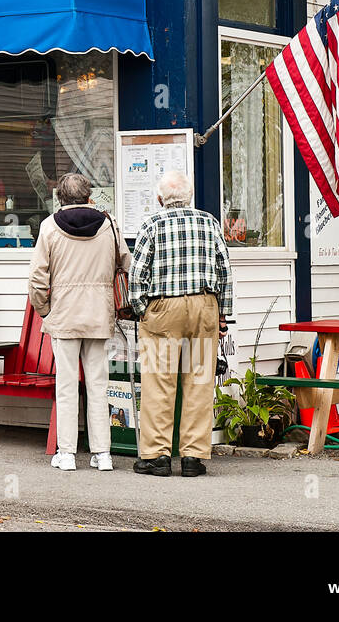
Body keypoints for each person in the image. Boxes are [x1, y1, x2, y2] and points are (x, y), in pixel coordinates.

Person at [127, 169, 232, 477]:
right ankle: (192, 457)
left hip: (164, 308)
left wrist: (140, 308)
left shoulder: (152, 224)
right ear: (189, 197)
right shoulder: (208, 222)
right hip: (203, 305)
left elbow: (136, 274)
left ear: (160, 199)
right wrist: (222, 313)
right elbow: (224, 269)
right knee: (198, 381)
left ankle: (158, 457)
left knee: (160, 382)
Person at [28, 172, 131, 472]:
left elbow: (37, 278)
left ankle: (68, 453)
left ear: (60, 197)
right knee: (99, 385)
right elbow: (125, 261)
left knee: (66, 385)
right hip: (99, 315)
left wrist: (44, 310)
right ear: (89, 196)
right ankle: (103, 455)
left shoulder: (49, 227)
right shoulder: (109, 225)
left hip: (64, 316)